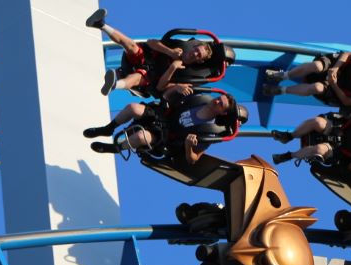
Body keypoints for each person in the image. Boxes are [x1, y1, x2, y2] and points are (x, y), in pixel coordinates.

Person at [83, 88, 245, 164]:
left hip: (167, 137)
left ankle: (114, 148)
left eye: (220, 104)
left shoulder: (209, 132)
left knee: (140, 137)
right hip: (163, 117)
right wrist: (176, 88)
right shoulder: (199, 98)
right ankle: (108, 128)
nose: (216, 101)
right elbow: (167, 96)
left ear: (222, 113)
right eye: (219, 98)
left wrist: (189, 146)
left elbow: (193, 159)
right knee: (133, 107)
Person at [85, 8, 215, 96]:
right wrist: (170, 52)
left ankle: (114, 84)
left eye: (199, 55)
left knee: (138, 77)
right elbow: (151, 42)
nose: (195, 53)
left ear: (200, 60)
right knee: (132, 45)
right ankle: (100, 24)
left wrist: (173, 67)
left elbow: (160, 87)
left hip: (149, 80)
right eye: (196, 50)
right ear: (193, 47)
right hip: (145, 59)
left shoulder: (188, 75)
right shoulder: (179, 46)